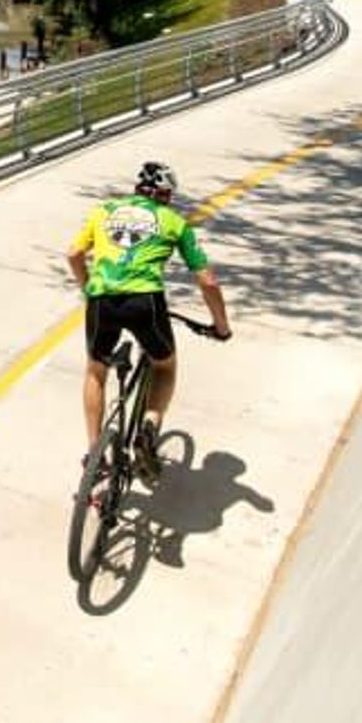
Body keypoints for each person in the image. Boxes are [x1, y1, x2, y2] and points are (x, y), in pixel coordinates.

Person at [66, 160, 231, 484]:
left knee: (96, 370)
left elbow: (73, 254)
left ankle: (94, 455)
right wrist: (221, 326)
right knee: (165, 366)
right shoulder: (174, 222)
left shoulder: (104, 210)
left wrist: (88, 289)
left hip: (102, 300)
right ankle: (148, 427)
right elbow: (208, 281)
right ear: (166, 194)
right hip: (145, 302)